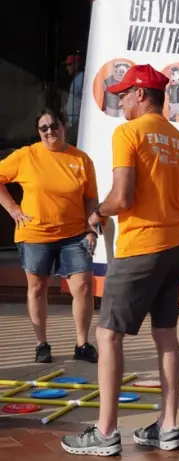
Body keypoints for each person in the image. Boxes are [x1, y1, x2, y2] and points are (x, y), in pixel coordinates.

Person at [61, 64, 179, 457]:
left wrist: (97, 213)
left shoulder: (129, 133)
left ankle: (105, 433)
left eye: (123, 93)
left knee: (107, 336)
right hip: (176, 246)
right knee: (167, 334)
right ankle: (168, 426)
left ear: (141, 94)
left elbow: (122, 198)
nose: (119, 100)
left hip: (141, 246)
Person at [0, 108, 99, 364]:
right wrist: (13, 210)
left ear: (64, 126)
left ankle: (82, 343)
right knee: (37, 287)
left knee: (84, 287)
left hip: (75, 233)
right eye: (43, 128)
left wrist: (91, 229)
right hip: (35, 233)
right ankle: (41, 343)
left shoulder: (81, 159)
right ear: (38, 132)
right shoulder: (26, 155)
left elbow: (90, 198)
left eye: (54, 126)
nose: (49, 132)